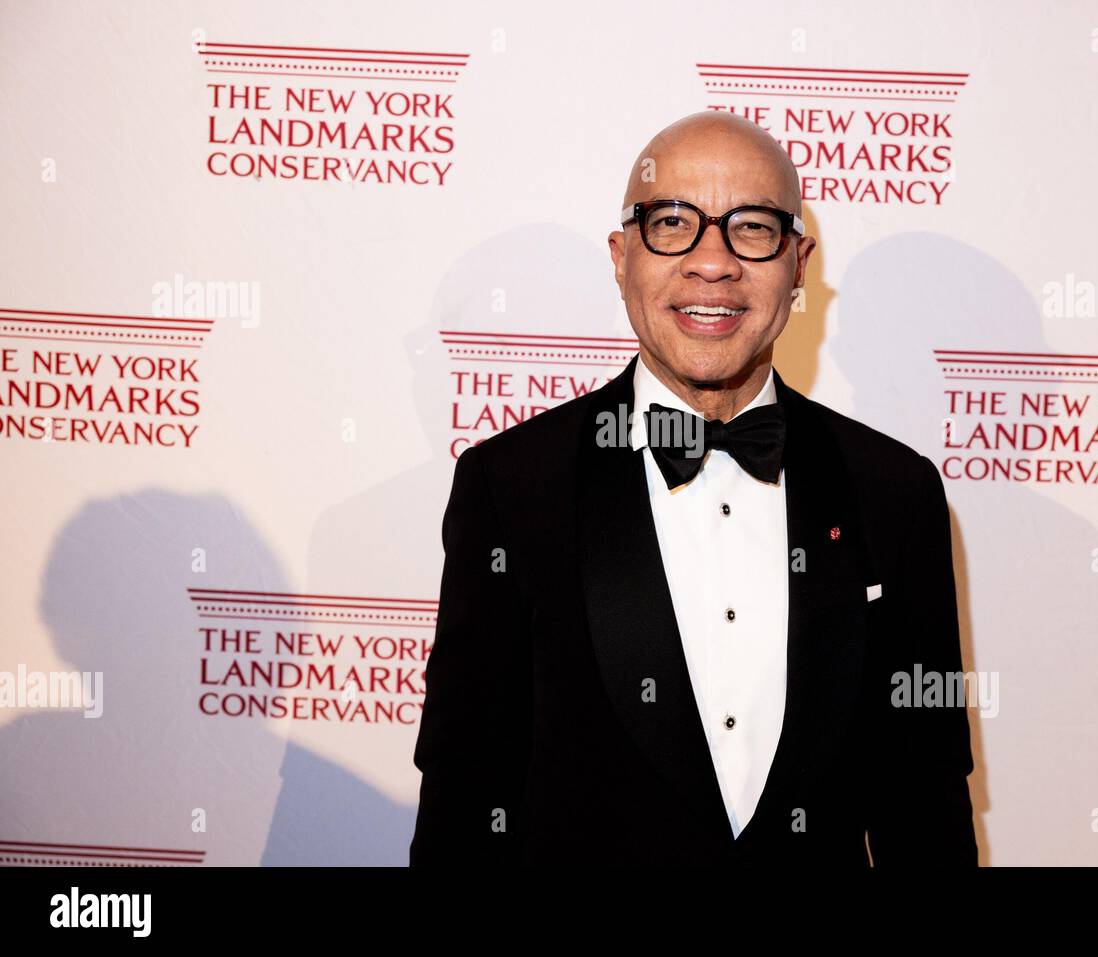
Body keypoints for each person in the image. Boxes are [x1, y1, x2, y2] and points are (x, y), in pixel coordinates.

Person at [410, 110, 978, 868]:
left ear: (799, 263)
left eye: (752, 228)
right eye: (673, 222)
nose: (712, 262)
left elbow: (926, 799)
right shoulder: (510, 487)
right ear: (621, 256)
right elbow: (465, 797)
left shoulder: (895, 492)